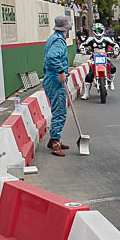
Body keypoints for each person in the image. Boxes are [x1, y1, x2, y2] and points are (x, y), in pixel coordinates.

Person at [42, 16, 72, 156]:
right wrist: (61, 71)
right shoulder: (59, 42)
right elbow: (52, 58)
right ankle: (55, 142)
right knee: (59, 111)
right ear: (67, 28)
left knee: (58, 109)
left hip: (50, 77)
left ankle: (54, 138)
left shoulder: (53, 38)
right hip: (55, 79)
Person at [81, 22, 119, 98]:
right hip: (95, 58)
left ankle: (111, 82)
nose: (98, 33)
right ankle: (86, 93)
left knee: (113, 68)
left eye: (100, 31)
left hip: (105, 57)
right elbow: (83, 45)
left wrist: (116, 50)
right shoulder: (91, 39)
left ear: (103, 31)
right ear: (94, 31)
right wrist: (83, 50)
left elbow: (115, 44)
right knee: (89, 75)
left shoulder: (106, 39)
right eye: (97, 31)